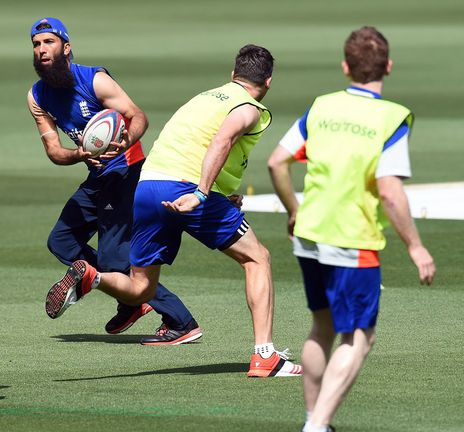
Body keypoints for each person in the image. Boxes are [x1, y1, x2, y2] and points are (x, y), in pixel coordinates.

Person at [47, 44, 303, 377]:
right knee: (257, 258)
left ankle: (94, 278)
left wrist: (219, 195)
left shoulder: (207, 97)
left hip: (147, 185)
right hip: (186, 188)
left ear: (232, 75)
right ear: (268, 81)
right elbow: (221, 141)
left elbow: (190, 143)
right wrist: (202, 193)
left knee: (143, 288)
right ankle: (265, 356)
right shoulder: (249, 108)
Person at [267, 27, 435, 431]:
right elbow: (391, 192)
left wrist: (294, 211)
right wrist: (415, 247)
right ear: (388, 67)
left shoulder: (321, 107)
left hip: (309, 235)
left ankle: (314, 420)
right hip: (351, 239)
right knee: (359, 335)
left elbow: (276, 162)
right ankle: (317, 425)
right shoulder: (391, 117)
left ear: (345, 66)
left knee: (321, 327)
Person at [28, 18, 202, 345]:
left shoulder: (95, 81)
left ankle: (180, 320)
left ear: (66, 48)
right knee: (62, 241)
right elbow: (53, 150)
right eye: (36, 45)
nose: (41, 50)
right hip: (97, 177)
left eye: (48, 43)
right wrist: (81, 154)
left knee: (113, 261)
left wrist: (125, 141)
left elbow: (139, 117)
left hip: (127, 173)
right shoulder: (37, 95)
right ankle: (130, 300)